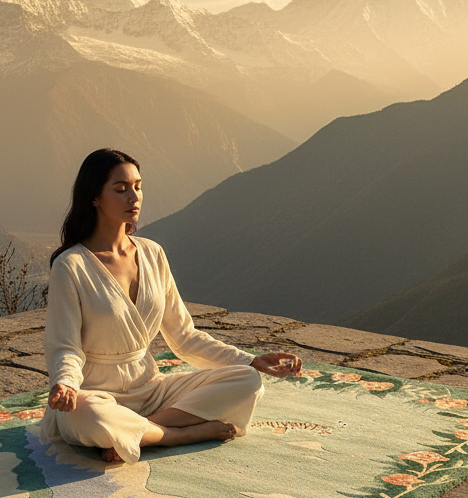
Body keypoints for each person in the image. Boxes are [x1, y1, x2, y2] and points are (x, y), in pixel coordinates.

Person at [41, 148, 302, 465]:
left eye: (138, 186)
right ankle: (179, 433)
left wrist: (252, 360)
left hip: (152, 392)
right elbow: (65, 346)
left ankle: (146, 430)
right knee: (90, 416)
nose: (133, 197)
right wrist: (65, 384)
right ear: (94, 197)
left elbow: (185, 337)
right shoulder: (71, 266)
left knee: (246, 380)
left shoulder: (152, 253)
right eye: (121, 189)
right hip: (96, 395)